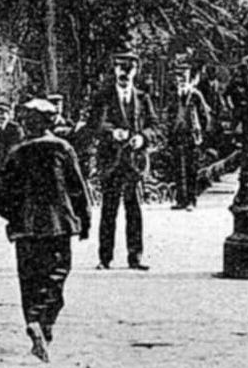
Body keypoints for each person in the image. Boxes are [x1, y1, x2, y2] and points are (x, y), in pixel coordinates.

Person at [0, 97, 91, 363]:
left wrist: (14, 217)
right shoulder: (62, 149)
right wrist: (84, 220)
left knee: (29, 279)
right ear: (51, 123)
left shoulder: (17, 153)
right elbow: (78, 188)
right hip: (58, 227)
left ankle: (33, 321)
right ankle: (45, 321)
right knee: (56, 274)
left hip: (26, 228)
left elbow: (0, 195)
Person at [89, 50, 160, 270]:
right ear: (115, 69)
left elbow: (155, 127)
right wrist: (112, 132)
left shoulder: (143, 98)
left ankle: (135, 257)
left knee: (134, 210)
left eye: (129, 69)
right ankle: (105, 258)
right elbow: (94, 124)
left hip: (134, 163)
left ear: (136, 71)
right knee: (109, 210)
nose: (125, 73)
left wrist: (142, 138)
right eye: (121, 68)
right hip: (111, 162)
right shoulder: (103, 96)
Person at [167, 61, 212, 210]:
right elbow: (169, 115)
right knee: (178, 168)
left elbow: (205, 116)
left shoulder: (195, 95)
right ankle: (180, 200)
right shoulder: (174, 96)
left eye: (184, 78)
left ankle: (191, 200)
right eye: (179, 78)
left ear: (189, 79)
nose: (181, 81)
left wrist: (201, 134)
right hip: (177, 135)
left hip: (191, 136)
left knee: (191, 169)